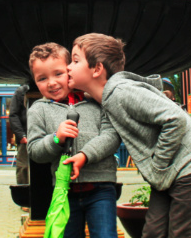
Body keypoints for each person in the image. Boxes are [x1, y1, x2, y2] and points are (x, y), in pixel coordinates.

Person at [66, 33, 191, 238]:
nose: (68, 66)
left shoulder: (121, 92)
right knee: (153, 233)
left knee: (182, 233)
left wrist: (158, 166)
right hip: (168, 172)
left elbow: (175, 120)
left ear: (97, 69)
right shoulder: (107, 97)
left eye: (75, 61)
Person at [26, 42, 121, 238]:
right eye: (42, 78)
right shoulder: (38, 110)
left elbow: (111, 137)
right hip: (64, 191)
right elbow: (34, 151)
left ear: (70, 69)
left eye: (58, 74)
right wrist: (55, 139)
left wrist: (85, 155)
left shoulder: (96, 100)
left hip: (101, 187)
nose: (51, 83)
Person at [9, 83, 30, 185]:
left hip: (44, 136)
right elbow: (13, 115)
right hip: (26, 138)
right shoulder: (21, 91)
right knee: (24, 167)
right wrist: (21, 136)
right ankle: (24, 193)